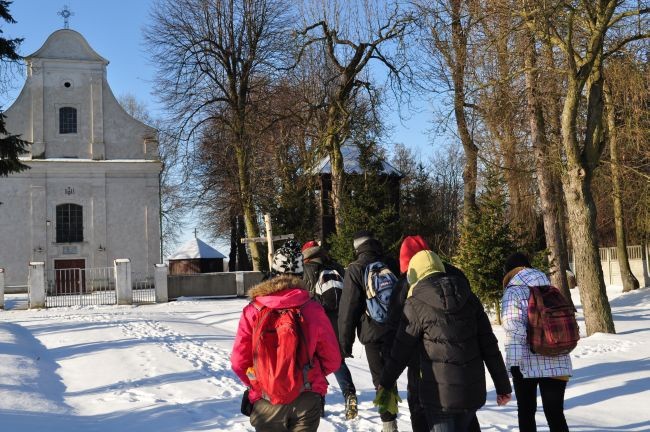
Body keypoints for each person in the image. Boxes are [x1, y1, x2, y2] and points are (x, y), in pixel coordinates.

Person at [378, 249, 512, 432]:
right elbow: (489, 345)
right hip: (471, 391)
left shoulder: (415, 304)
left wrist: (385, 383)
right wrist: (503, 385)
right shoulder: (469, 297)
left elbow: (401, 349)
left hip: (438, 396)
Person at [231, 242, 342, 432]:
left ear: (273, 272)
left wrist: (258, 382)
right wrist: (312, 374)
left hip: (266, 401)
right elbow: (332, 358)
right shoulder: (312, 308)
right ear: (300, 275)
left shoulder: (253, 310)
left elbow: (239, 361)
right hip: (306, 398)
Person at [501, 252, 572, 432]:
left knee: (526, 413)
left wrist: (514, 365)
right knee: (555, 414)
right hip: (558, 358)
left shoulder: (513, 291)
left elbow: (514, 330)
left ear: (509, 272)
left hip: (526, 364)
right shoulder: (550, 287)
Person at [338, 230, 400, 432]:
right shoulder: (391, 263)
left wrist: (344, 345)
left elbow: (349, 309)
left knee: (382, 381)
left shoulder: (355, 269)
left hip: (373, 334)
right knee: (392, 377)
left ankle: (389, 425)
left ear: (357, 248)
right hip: (397, 330)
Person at [301, 240, 358, 420]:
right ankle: (349, 394)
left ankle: (320, 404)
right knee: (337, 360)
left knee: (316, 363)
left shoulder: (306, 269)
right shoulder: (336, 267)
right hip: (339, 320)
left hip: (316, 320)